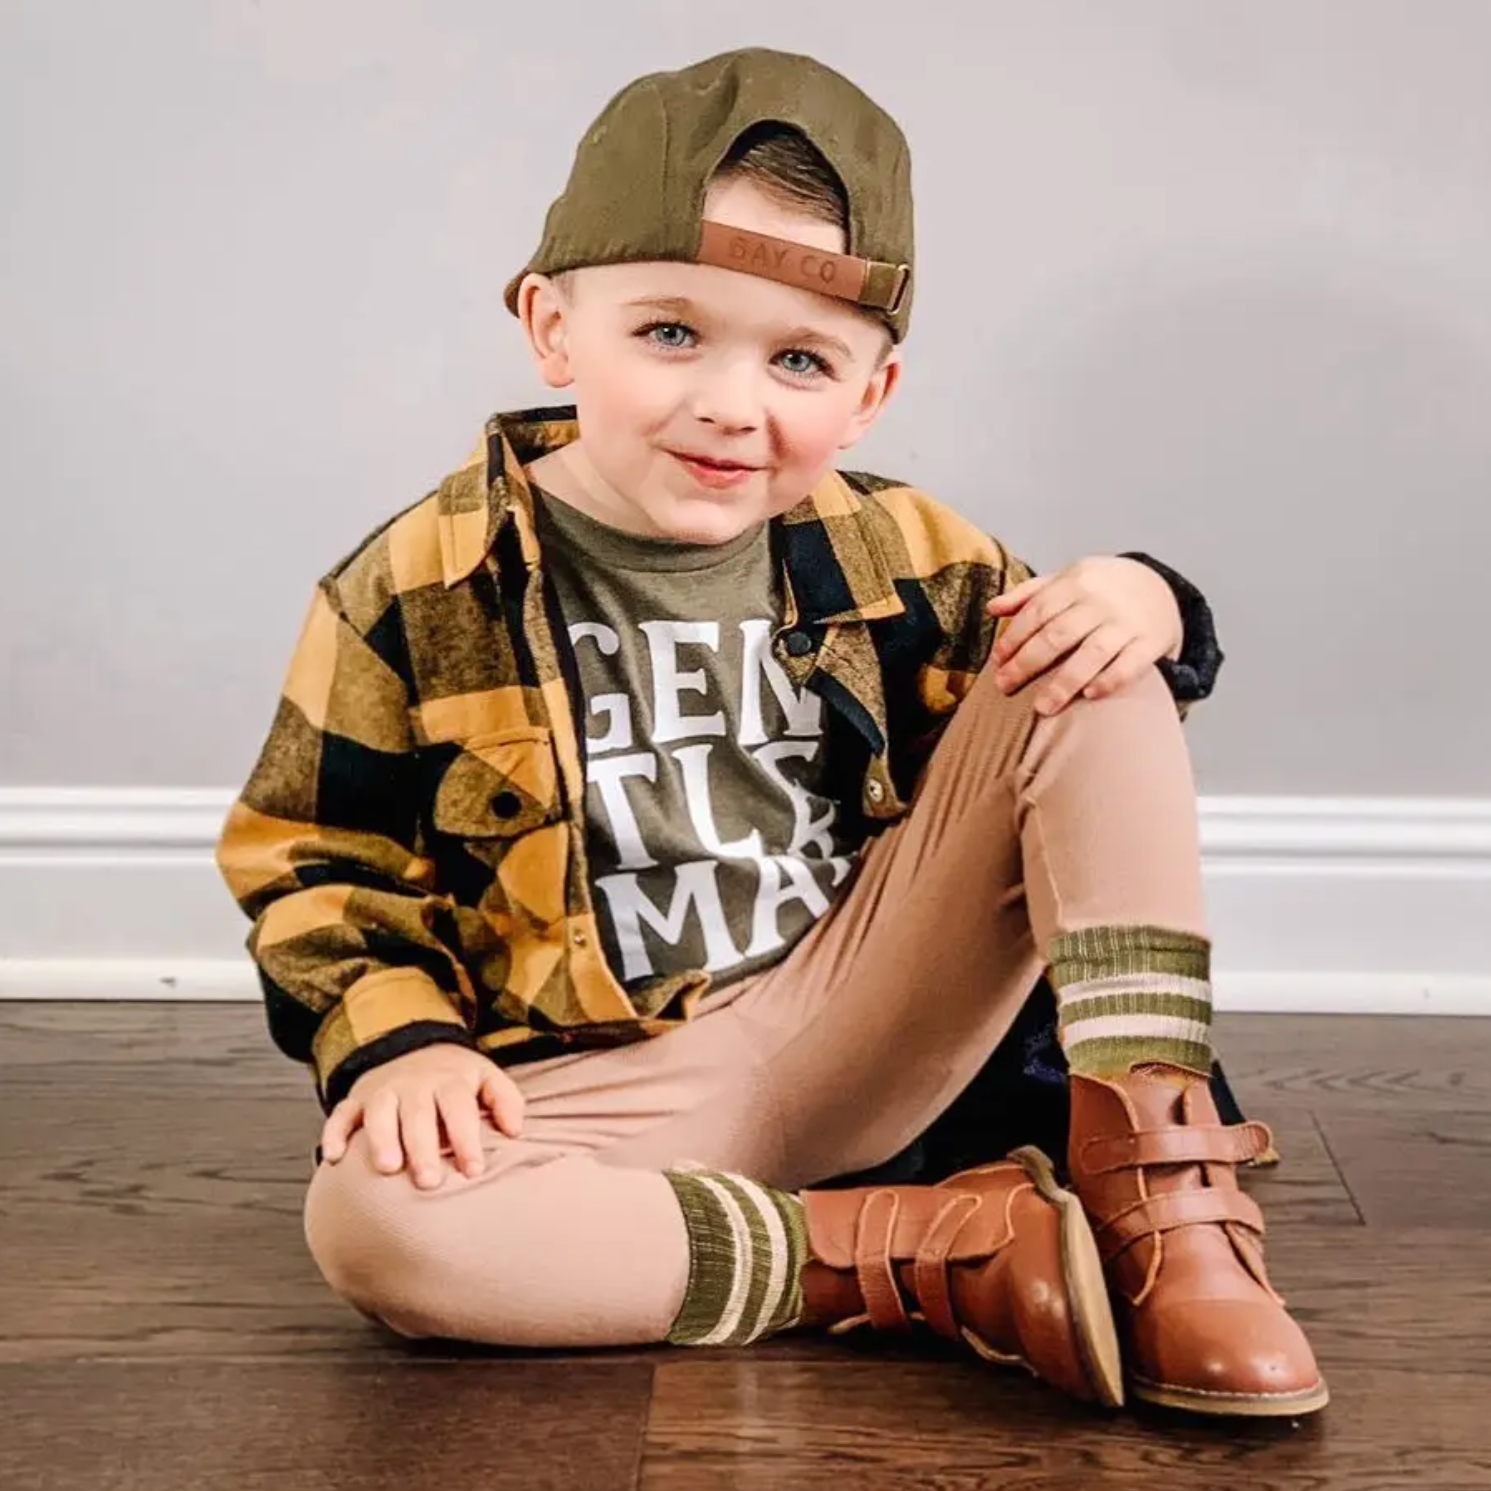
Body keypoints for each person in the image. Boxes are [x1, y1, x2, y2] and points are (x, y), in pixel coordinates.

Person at [217, 47, 1325, 1418]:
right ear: (554, 328)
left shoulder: (902, 550)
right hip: (615, 1084)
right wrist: (404, 1045)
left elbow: (1068, 760)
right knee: (376, 1222)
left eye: (799, 359)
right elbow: (319, 858)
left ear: (870, 395)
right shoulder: (415, 586)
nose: (732, 404)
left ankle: (1164, 1199)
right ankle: (935, 1250)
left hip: (865, 1011)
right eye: (670, 333)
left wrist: (1149, 599)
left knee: (1081, 650)